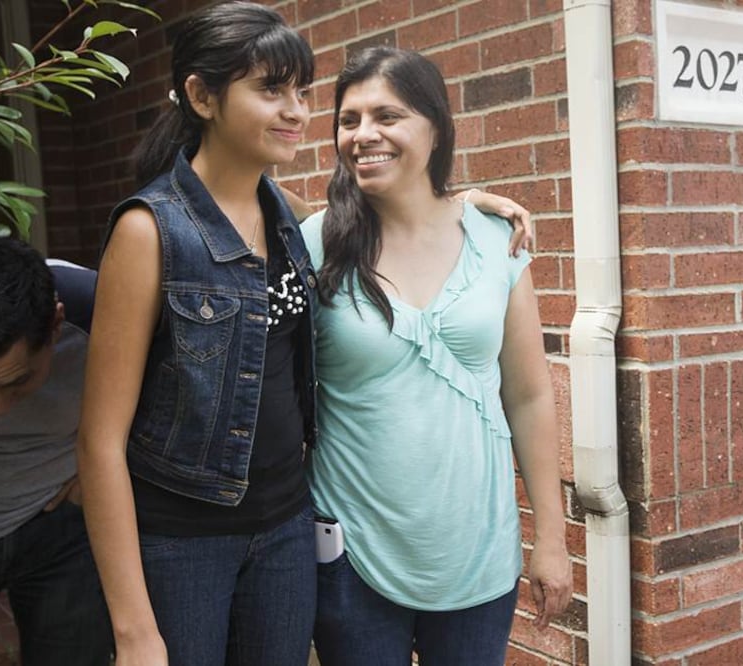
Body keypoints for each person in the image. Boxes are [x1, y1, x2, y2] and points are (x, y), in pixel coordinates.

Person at [76, 5, 531, 666]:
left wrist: (461, 202)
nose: (296, 110)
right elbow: (98, 441)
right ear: (202, 96)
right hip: (184, 541)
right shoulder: (149, 232)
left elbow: (389, 211)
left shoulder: (287, 220)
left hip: (288, 530)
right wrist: (131, 628)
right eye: (270, 90)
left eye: (301, 92)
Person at [303, 46, 572, 666]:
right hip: (353, 561)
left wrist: (551, 538)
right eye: (349, 119)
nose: (364, 134)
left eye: (387, 116)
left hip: (477, 554)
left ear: (435, 127)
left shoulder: (495, 239)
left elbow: (529, 396)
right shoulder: (316, 243)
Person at [0, 238, 112, 666]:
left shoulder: (100, 308)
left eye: (14, 383)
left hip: (59, 528)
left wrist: (104, 469)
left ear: (56, 325)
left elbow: (177, 395)